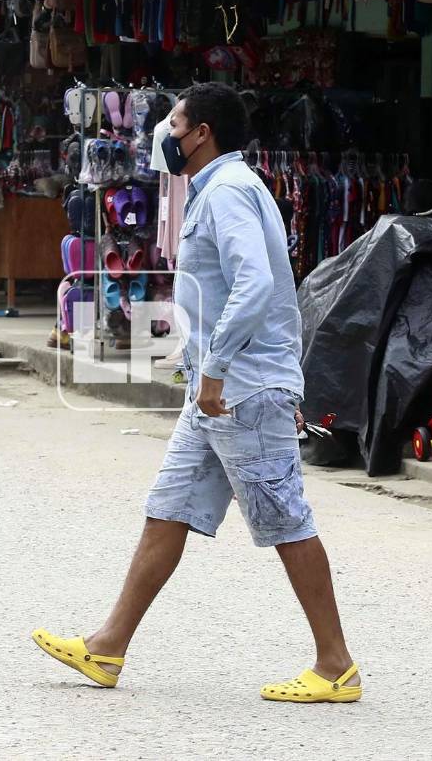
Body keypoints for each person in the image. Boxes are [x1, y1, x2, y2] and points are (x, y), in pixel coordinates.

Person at [33, 82, 361, 704]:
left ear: (201, 133)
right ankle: (107, 646)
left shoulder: (229, 191)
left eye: (175, 123)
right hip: (215, 392)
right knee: (170, 508)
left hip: (240, 390)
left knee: (285, 519)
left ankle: (335, 665)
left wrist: (215, 368)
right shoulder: (219, 188)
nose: (165, 134)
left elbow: (253, 283)